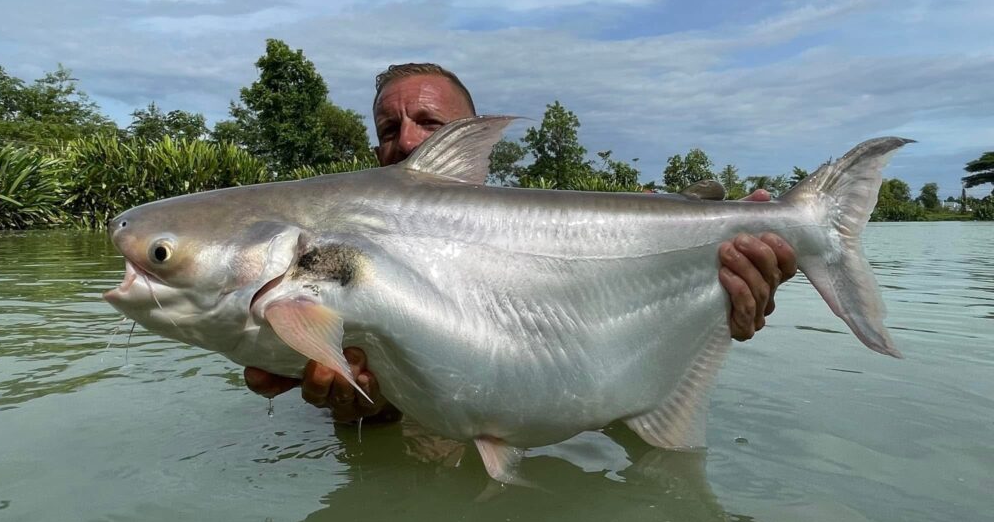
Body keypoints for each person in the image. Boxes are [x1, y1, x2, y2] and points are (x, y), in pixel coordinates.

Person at [244, 63, 797, 424]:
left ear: (472, 143)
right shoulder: (336, 258)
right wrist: (366, 404)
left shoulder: (567, 238)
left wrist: (727, 298)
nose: (407, 139)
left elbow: (614, 366)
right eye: (390, 129)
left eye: (430, 123)